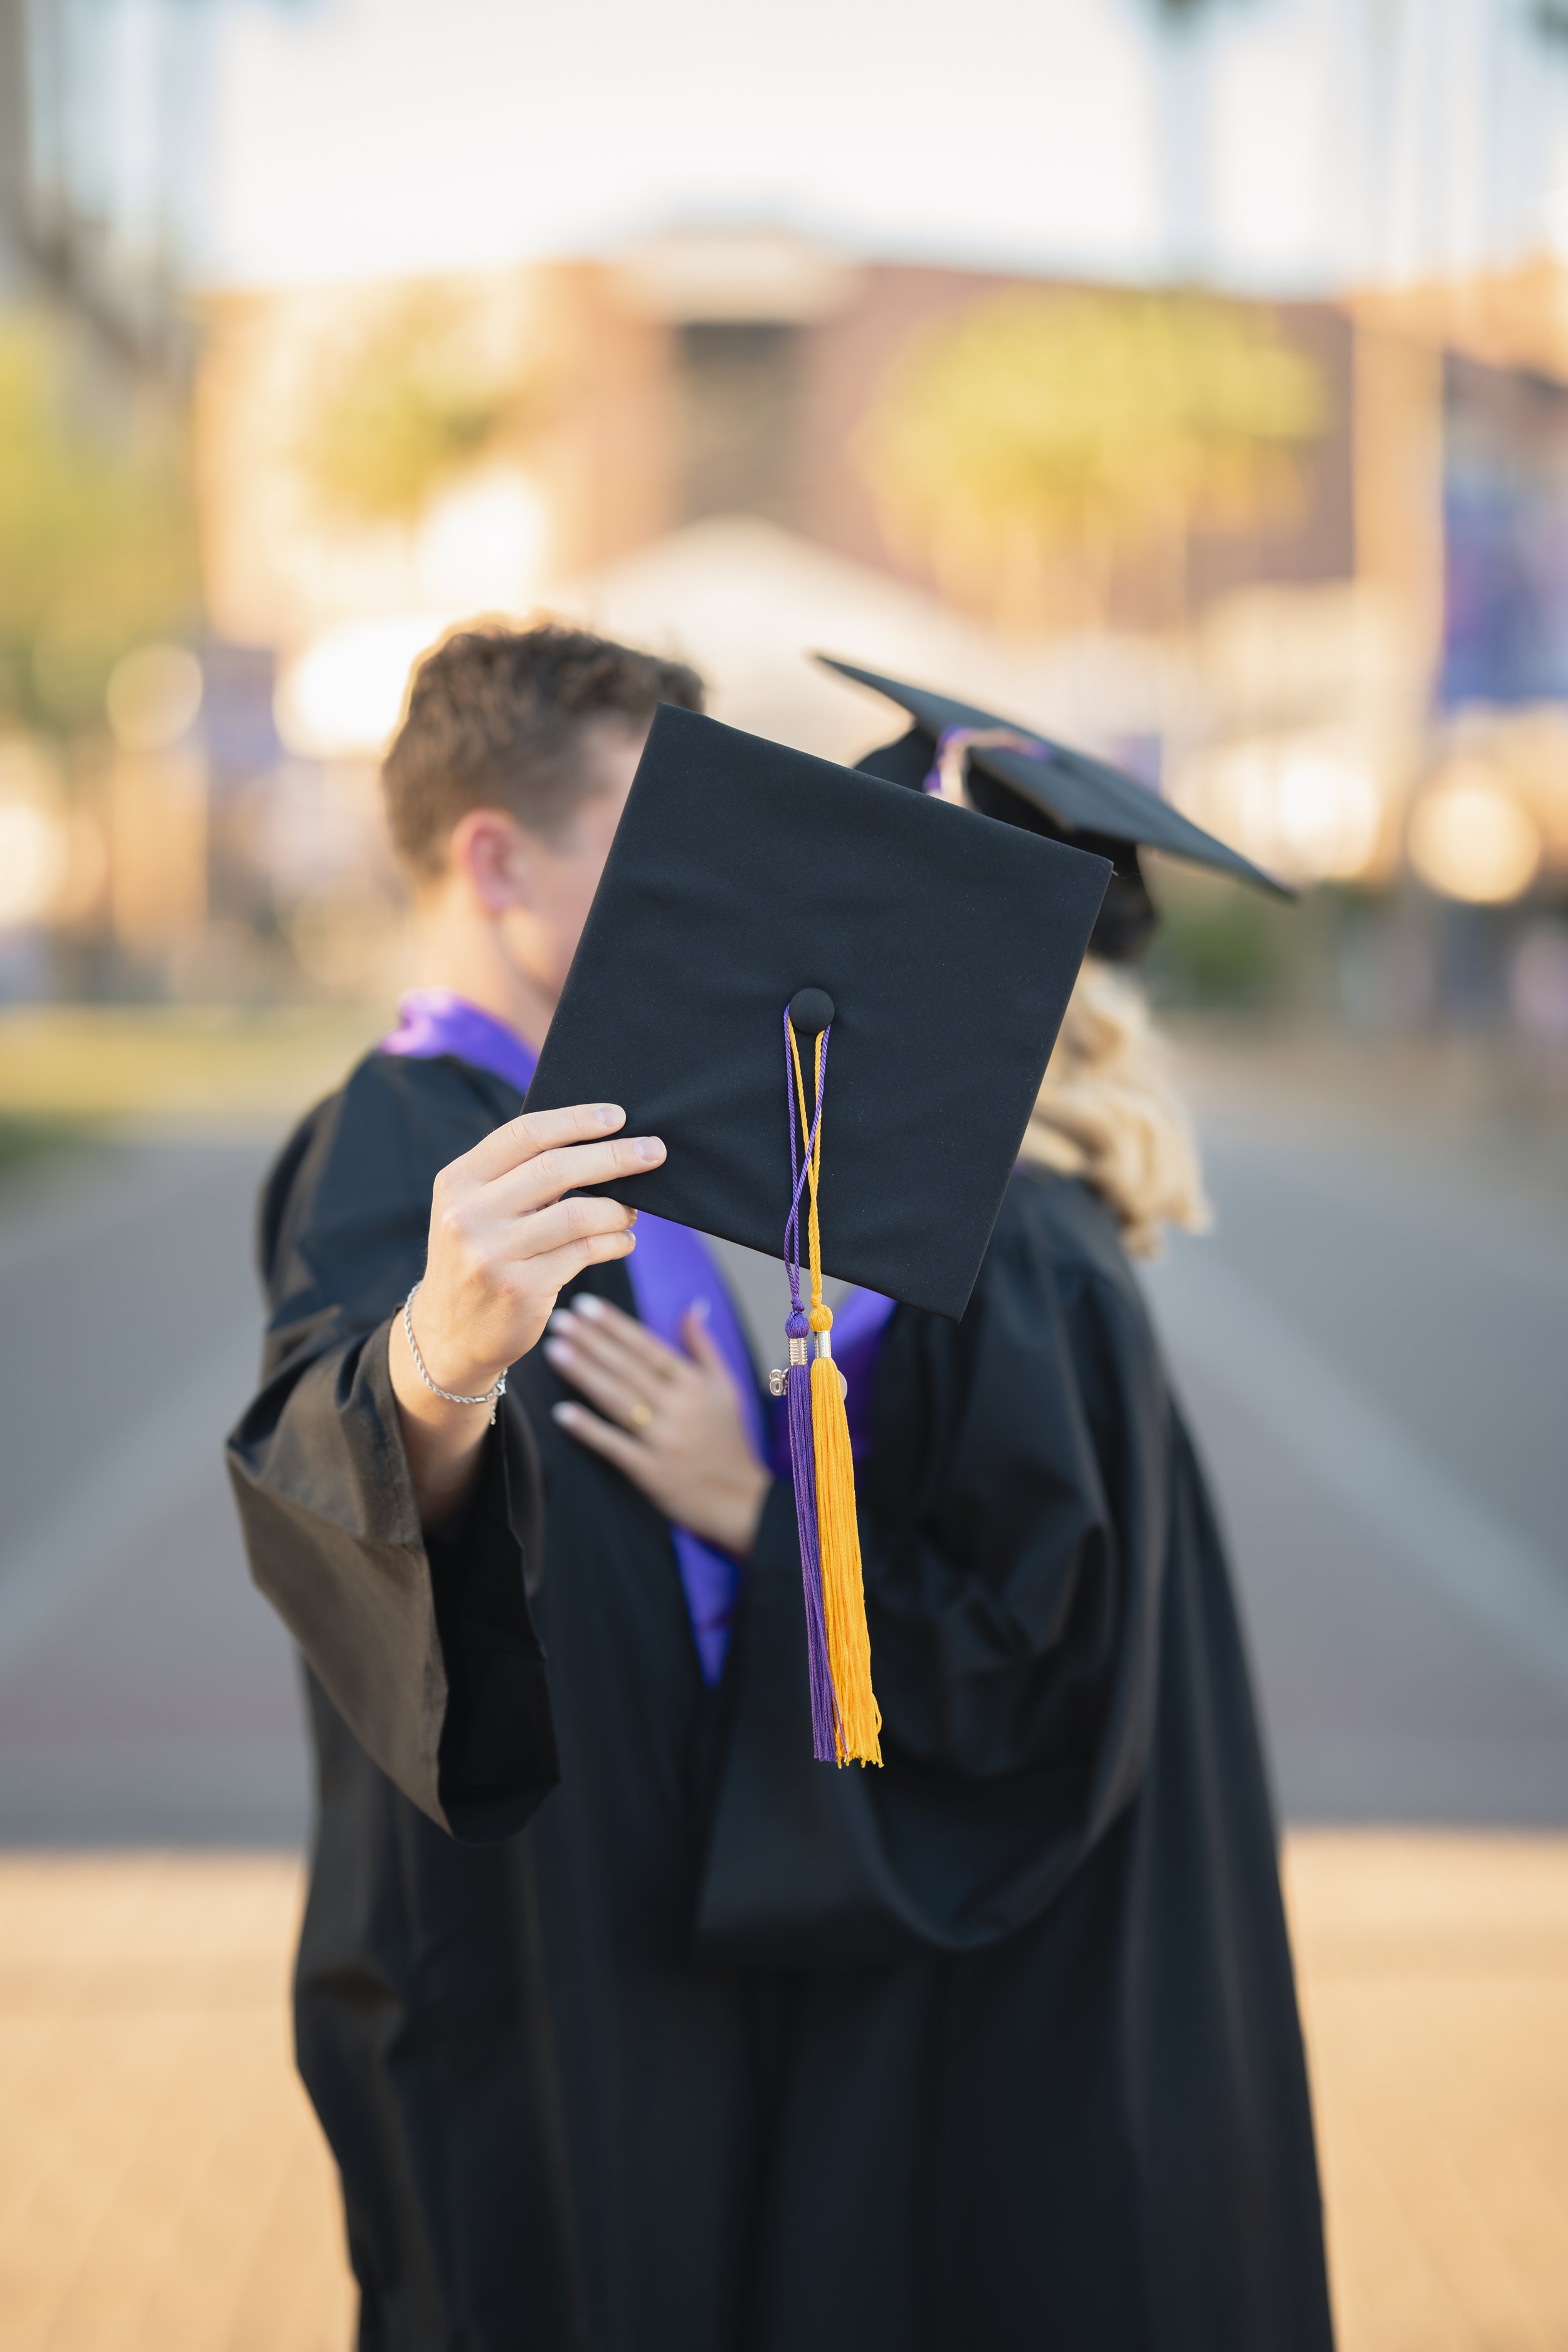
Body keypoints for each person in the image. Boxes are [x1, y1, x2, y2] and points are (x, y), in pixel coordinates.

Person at [227, 623, 1333, 2351]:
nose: (721, 889)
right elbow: (331, 1445)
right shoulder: (409, 1139)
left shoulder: (639, 1150)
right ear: (497, 860)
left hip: (700, 1925)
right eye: (654, 837)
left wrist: (757, 1509)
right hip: (540, 1956)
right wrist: (440, 1354)